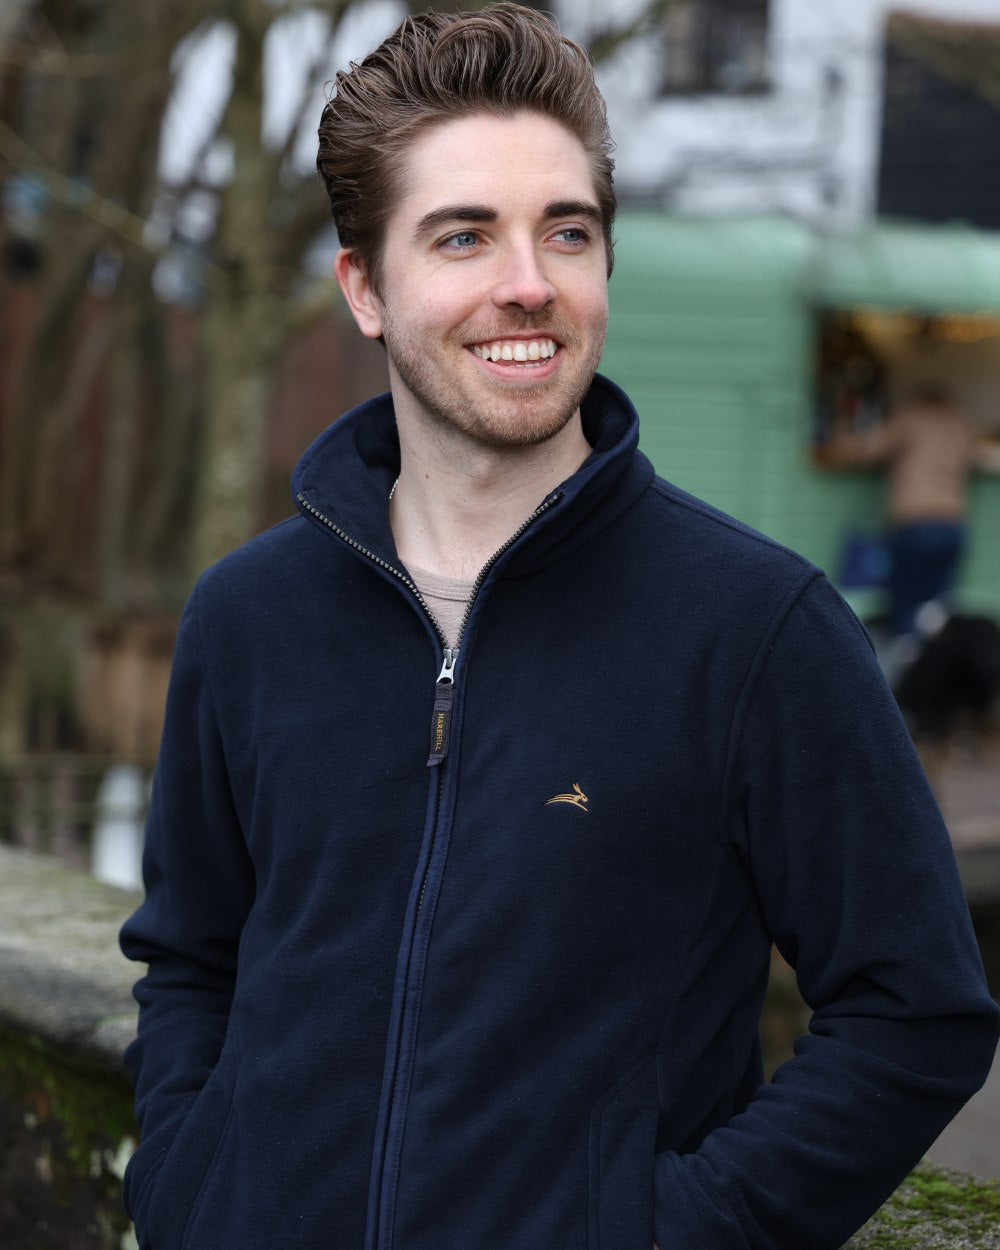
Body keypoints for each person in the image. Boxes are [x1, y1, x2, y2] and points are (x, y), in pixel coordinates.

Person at [119, 7, 999, 1249]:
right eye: (464, 234)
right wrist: (190, 1189)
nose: (526, 281)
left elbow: (917, 1010)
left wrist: (677, 1228)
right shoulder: (249, 616)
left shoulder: (755, 629)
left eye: (566, 232)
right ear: (366, 287)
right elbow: (191, 956)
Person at [821, 381, 980, 637]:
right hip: (952, 524)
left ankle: (905, 669)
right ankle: (933, 668)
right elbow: (976, 457)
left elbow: (870, 449)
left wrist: (841, 436)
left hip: (916, 521)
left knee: (905, 607)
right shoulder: (961, 424)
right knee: (938, 611)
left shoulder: (910, 418)